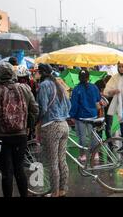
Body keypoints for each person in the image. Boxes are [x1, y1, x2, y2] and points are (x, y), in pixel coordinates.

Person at [0, 63, 38, 197]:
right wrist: (28, 127)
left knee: (6, 171)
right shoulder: (25, 89)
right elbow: (35, 110)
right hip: (21, 135)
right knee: (19, 169)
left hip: (2, 137)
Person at [36, 64, 71, 197]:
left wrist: (35, 121)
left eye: (37, 72)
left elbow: (42, 108)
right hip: (64, 125)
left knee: (53, 162)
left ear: (41, 73)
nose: (35, 75)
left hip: (51, 126)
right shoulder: (59, 84)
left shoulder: (44, 85)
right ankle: (62, 189)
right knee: (62, 160)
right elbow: (69, 105)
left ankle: (54, 192)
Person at [69, 70, 102, 162]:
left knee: (82, 137)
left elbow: (74, 105)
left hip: (81, 117)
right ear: (88, 77)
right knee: (93, 136)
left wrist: (71, 115)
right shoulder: (94, 87)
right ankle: (95, 154)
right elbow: (98, 99)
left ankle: (83, 155)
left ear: (79, 78)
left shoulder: (76, 89)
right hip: (93, 116)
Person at [104, 63, 123, 150]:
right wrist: (113, 91)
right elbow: (107, 91)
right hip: (120, 104)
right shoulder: (115, 77)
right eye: (119, 67)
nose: (121, 69)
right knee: (122, 124)